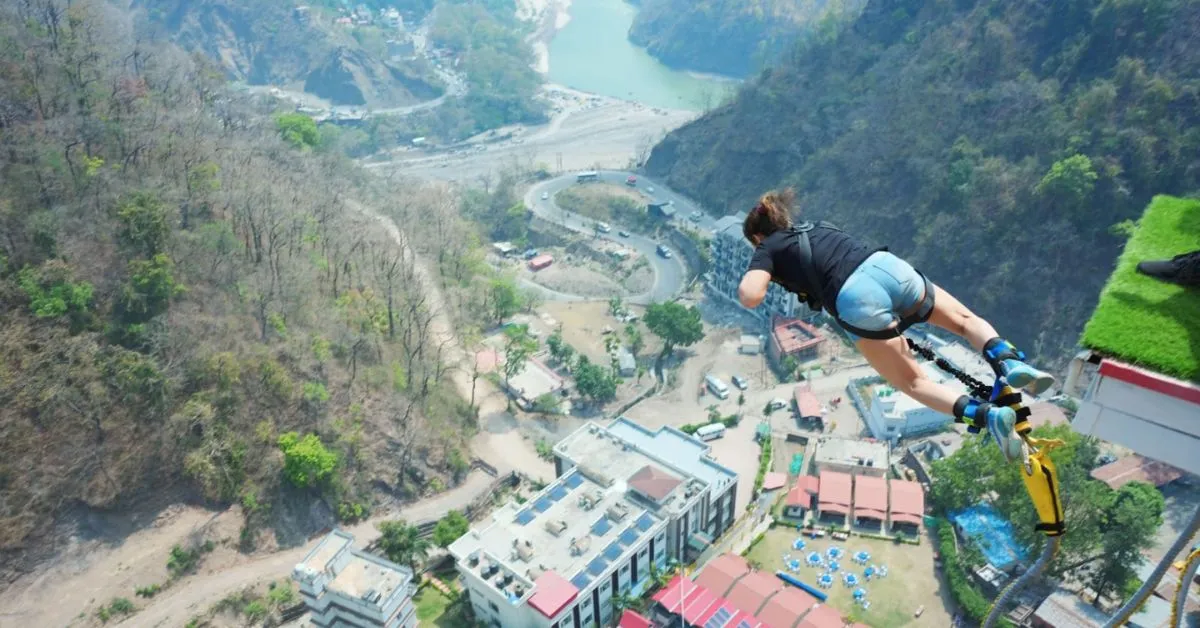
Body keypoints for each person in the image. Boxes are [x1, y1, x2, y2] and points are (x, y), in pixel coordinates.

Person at [737, 189, 1054, 460]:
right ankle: (1008, 361)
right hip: (886, 266)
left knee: (913, 383)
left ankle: (988, 415)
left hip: (855, 297)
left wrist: (758, 273)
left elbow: (750, 295)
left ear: (758, 236)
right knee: (965, 321)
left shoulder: (769, 246)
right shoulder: (818, 227)